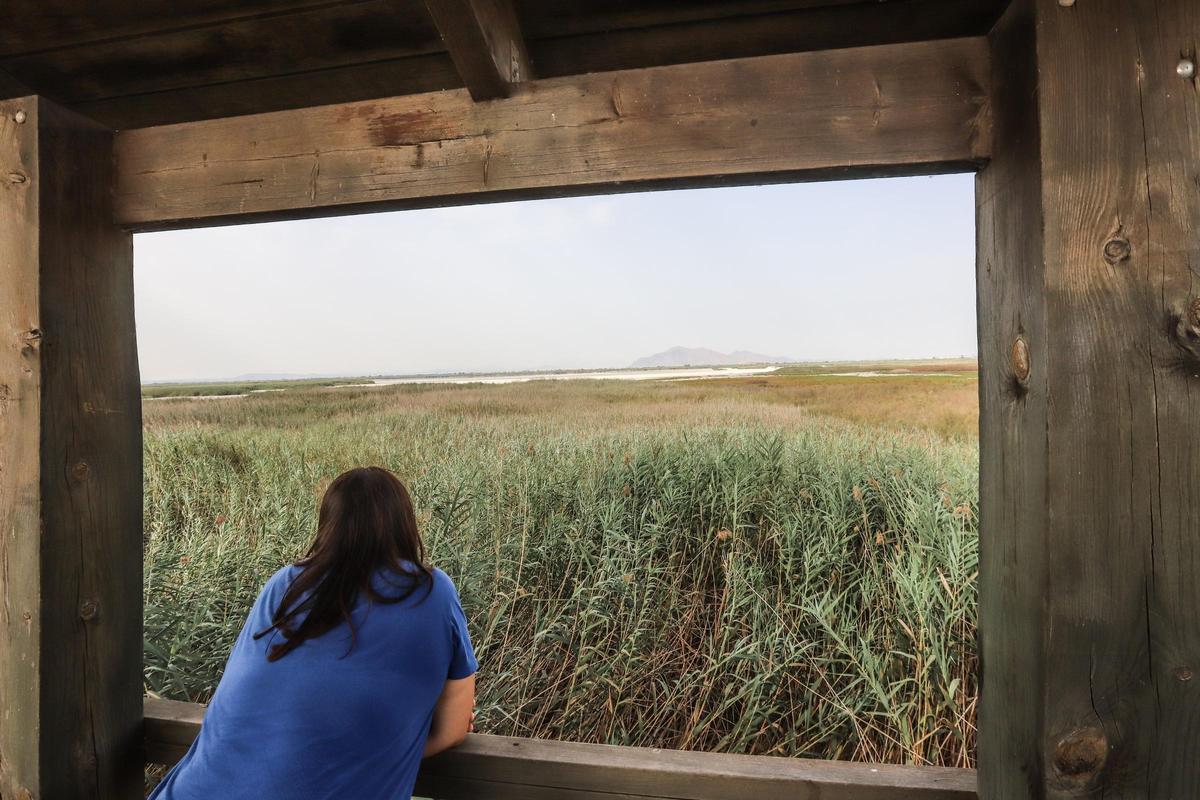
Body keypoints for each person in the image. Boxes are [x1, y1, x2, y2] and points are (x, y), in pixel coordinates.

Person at [150, 467, 477, 799]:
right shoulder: (430, 592)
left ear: (328, 525)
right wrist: (381, 750)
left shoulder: (285, 584)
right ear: (404, 525)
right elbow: (453, 728)